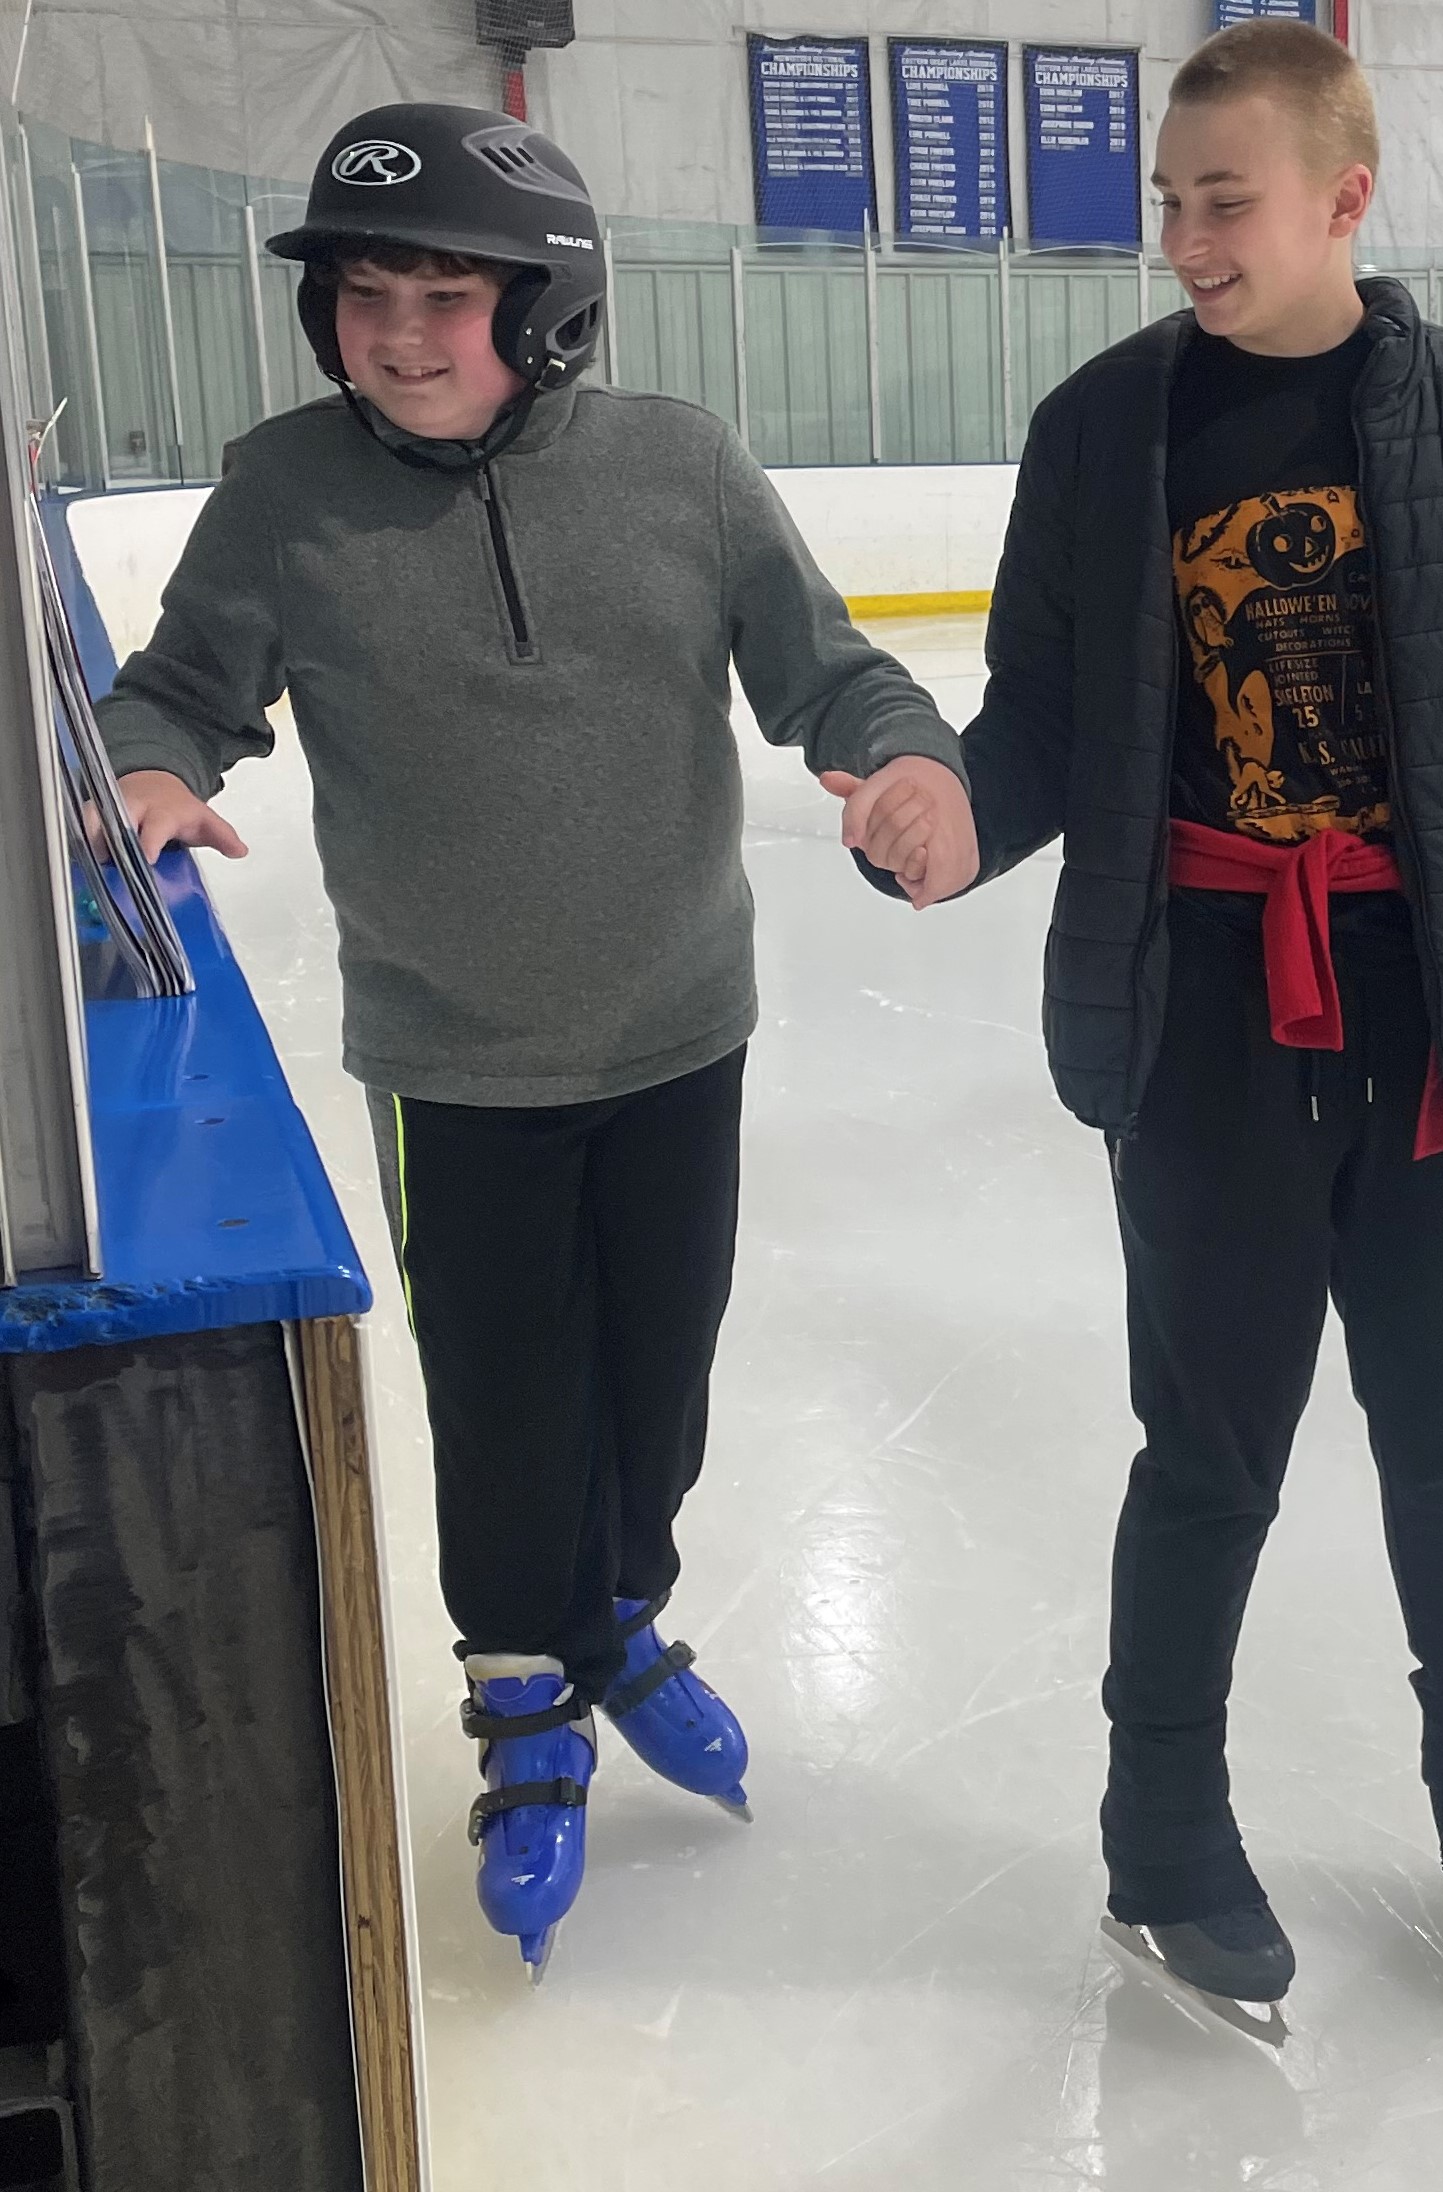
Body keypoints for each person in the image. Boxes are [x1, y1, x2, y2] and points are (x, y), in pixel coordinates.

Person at [90, 103, 977, 1981]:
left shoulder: (685, 467)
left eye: (444, 295)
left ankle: (624, 1609)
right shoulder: (282, 492)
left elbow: (838, 667)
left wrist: (902, 757)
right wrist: (154, 774)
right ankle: (526, 1702)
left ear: (554, 308)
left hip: (678, 1031)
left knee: (659, 1377)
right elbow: (175, 693)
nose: (398, 333)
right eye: (362, 295)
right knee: (504, 1398)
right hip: (454, 1056)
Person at [843, 19, 1443, 2012]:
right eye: (1170, 199)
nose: (1188, 237)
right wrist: (947, 810)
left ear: (1340, 198)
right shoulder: (1103, 428)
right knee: (1205, 1442)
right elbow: (1037, 716)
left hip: (1434, 1011)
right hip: (1206, 1005)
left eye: (1227, 198)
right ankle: (1160, 1835)